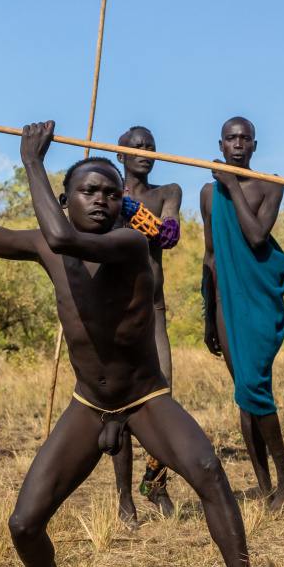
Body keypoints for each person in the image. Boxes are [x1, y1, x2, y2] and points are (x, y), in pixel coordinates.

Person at [0, 103, 284, 567]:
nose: (98, 199)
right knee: (24, 525)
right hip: (88, 404)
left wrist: (31, 163)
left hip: (144, 399)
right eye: (86, 191)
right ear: (68, 199)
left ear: (122, 202)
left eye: (108, 191)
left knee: (210, 473)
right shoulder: (46, 243)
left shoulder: (129, 244)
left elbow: (68, 239)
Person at [201, 117, 284, 512]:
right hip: (226, 304)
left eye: (245, 139)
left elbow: (257, 236)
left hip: (258, 301)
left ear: (254, 146)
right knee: (245, 394)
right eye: (231, 138)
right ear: (221, 144)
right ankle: (265, 487)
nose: (238, 144)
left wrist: (230, 184)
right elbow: (210, 256)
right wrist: (209, 314)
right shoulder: (208, 194)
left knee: (254, 387)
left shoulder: (271, 184)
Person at [113, 126, 182, 527]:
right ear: (118, 155)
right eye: (135, 147)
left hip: (152, 311)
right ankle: (125, 499)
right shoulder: (103, 190)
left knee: (162, 401)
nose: (144, 151)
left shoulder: (167, 191)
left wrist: (129, 210)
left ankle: (155, 483)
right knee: (117, 407)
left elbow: (166, 235)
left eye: (150, 146)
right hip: (112, 314)